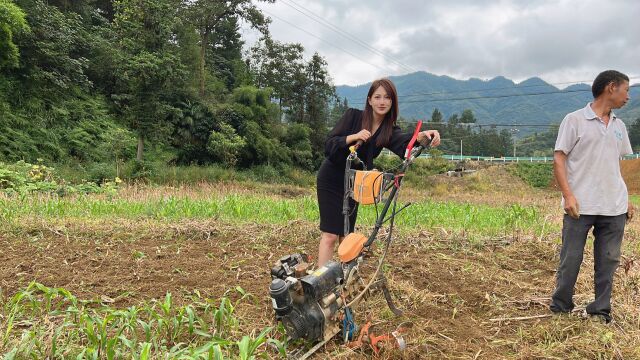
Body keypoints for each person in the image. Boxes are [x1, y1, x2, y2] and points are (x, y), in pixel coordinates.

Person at [316, 78, 441, 267]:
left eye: (387, 97)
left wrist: (425, 135)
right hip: (331, 178)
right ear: (369, 100)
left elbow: (405, 142)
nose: (382, 102)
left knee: (346, 235)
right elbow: (330, 144)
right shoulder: (353, 116)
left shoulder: (387, 130)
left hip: (354, 183)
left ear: (392, 102)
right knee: (330, 235)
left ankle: (343, 282)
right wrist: (354, 136)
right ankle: (319, 283)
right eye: (378, 97)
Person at [550, 70, 635, 323]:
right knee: (571, 258)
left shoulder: (619, 126)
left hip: (614, 206)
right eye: (626, 90)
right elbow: (559, 157)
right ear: (611, 88)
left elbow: (617, 165)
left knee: (608, 261)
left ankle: (600, 310)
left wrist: (627, 198)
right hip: (580, 205)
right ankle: (561, 306)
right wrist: (568, 195)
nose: (628, 96)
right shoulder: (574, 120)